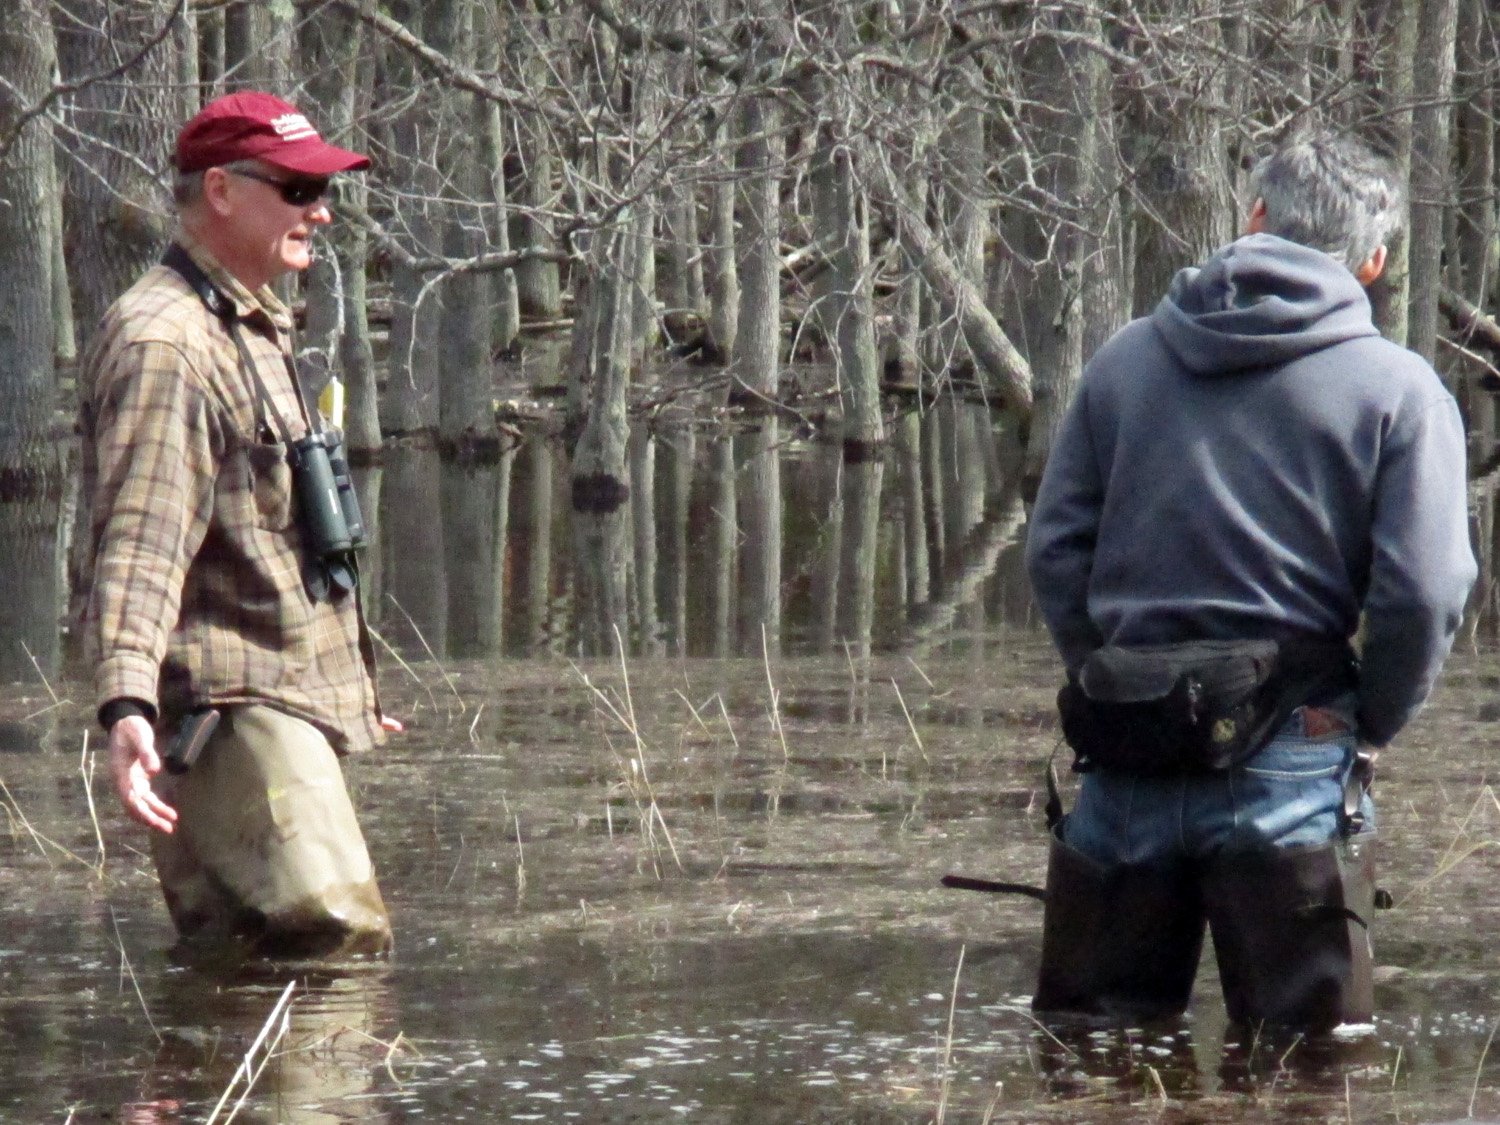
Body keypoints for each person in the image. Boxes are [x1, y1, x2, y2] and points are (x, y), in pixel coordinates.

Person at [1023, 128, 1476, 1030]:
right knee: (1310, 1065)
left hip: (1125, 753)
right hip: (1294, 756)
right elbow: (1423, 594)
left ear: (1255, 215)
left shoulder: (1122, 362)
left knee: (1090, 1057)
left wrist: (1113, 677)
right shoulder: (1400, 389)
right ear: (1375, 261)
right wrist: (1371, 720)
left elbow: (1054, 552)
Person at [79, 91, 397, 958]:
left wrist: (349, 694)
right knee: (329, 948)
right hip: (227, 719)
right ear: (220, 190)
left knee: (249, 974)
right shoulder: (167, 343)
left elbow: (268, 535)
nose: (320, 210)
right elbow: (140, 539)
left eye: (321, 189)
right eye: (297, 189)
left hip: (275, 709)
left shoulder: (246, 323)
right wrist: (127, 701)